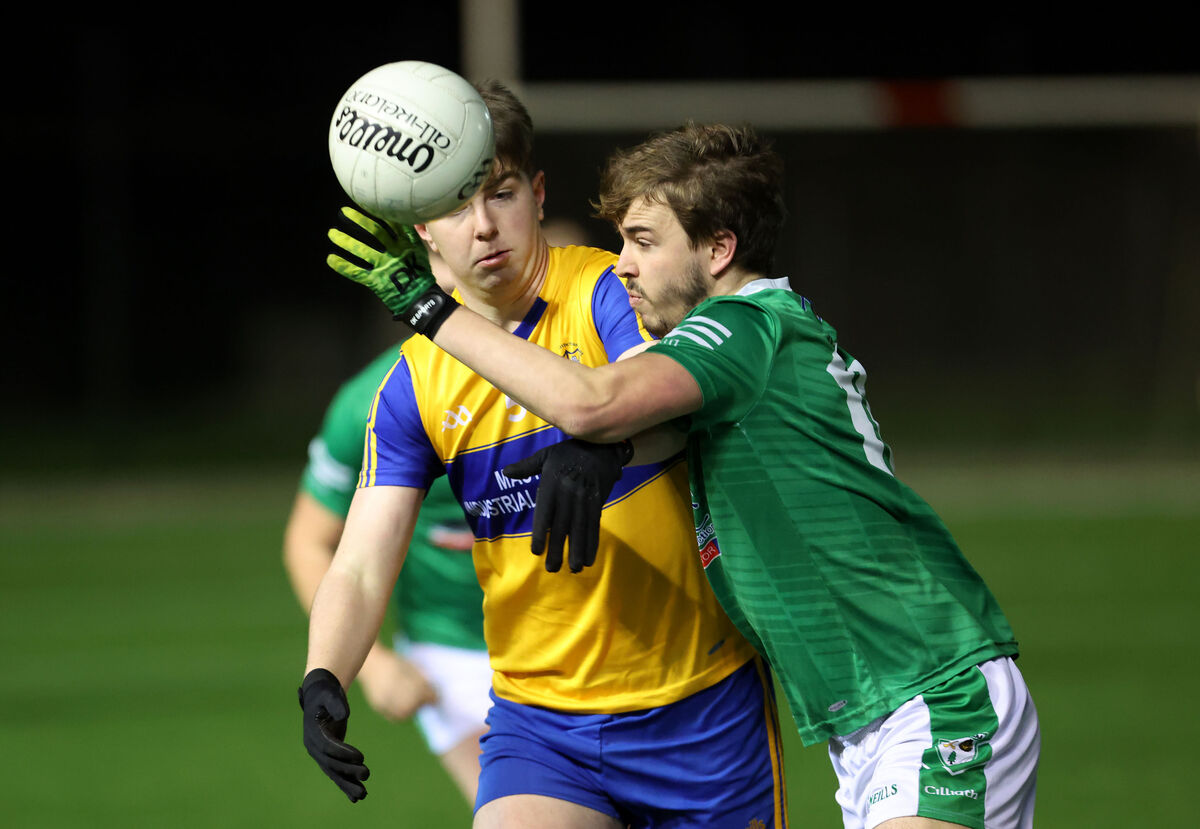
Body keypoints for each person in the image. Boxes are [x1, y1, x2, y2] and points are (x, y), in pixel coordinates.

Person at [334, 121, 1041, 829]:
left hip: (936, 690)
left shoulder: (742, 324)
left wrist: (428, 308)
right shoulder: (723, 360)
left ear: (718, 248)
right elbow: (643, 426)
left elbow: (593, 399)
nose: (623, 265)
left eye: (643, 241)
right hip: (867, 721)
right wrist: (596, 452)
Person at [303, 85, 788, 828]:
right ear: (421, 228)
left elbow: (678, 408)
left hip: (700, 706)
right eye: (455, 206)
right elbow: (362, 559)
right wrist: (326, 673)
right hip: (542, 725)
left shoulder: (609, 290)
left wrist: (608, 447)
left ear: (536, 194)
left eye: (500, 194)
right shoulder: (411, 385)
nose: (485, 226)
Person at [284, 334, 490, 803]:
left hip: (592, 638)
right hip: (453, 657)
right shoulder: (372, 401)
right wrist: (372, 667)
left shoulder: (581, 364)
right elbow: (309, 540)